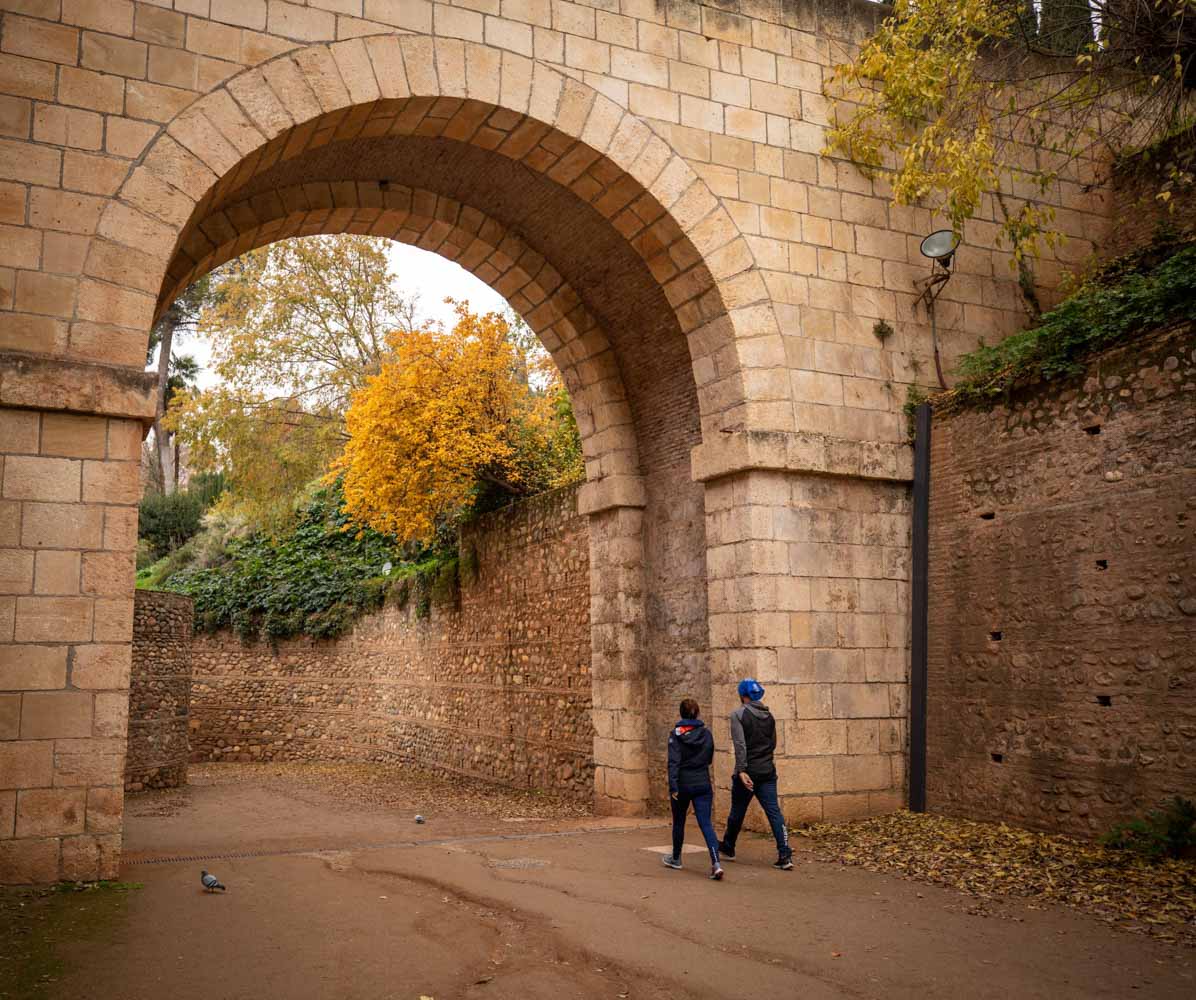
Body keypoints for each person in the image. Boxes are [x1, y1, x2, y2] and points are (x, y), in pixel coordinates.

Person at [718, 678, 793, 870]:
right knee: (774, 812)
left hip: (748, 772)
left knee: (737, 811)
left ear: (743, 696)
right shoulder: (770, 716)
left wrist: (742, 770)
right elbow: (773, 743)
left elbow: (740, 744)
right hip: (767, 770)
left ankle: (728, 846)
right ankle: (785, 854)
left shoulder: (738, 715)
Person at [660, 698, 724, 880]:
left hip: (682, 784)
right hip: (703, 783)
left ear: (681, 713)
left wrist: (673, 786)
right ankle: (716, 863)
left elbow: (673, 763)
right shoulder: (707, 734)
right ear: (697, 713)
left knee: (679, 821)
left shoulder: (675, 735)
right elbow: (709, 758)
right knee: (706, 824)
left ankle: (676, 857)